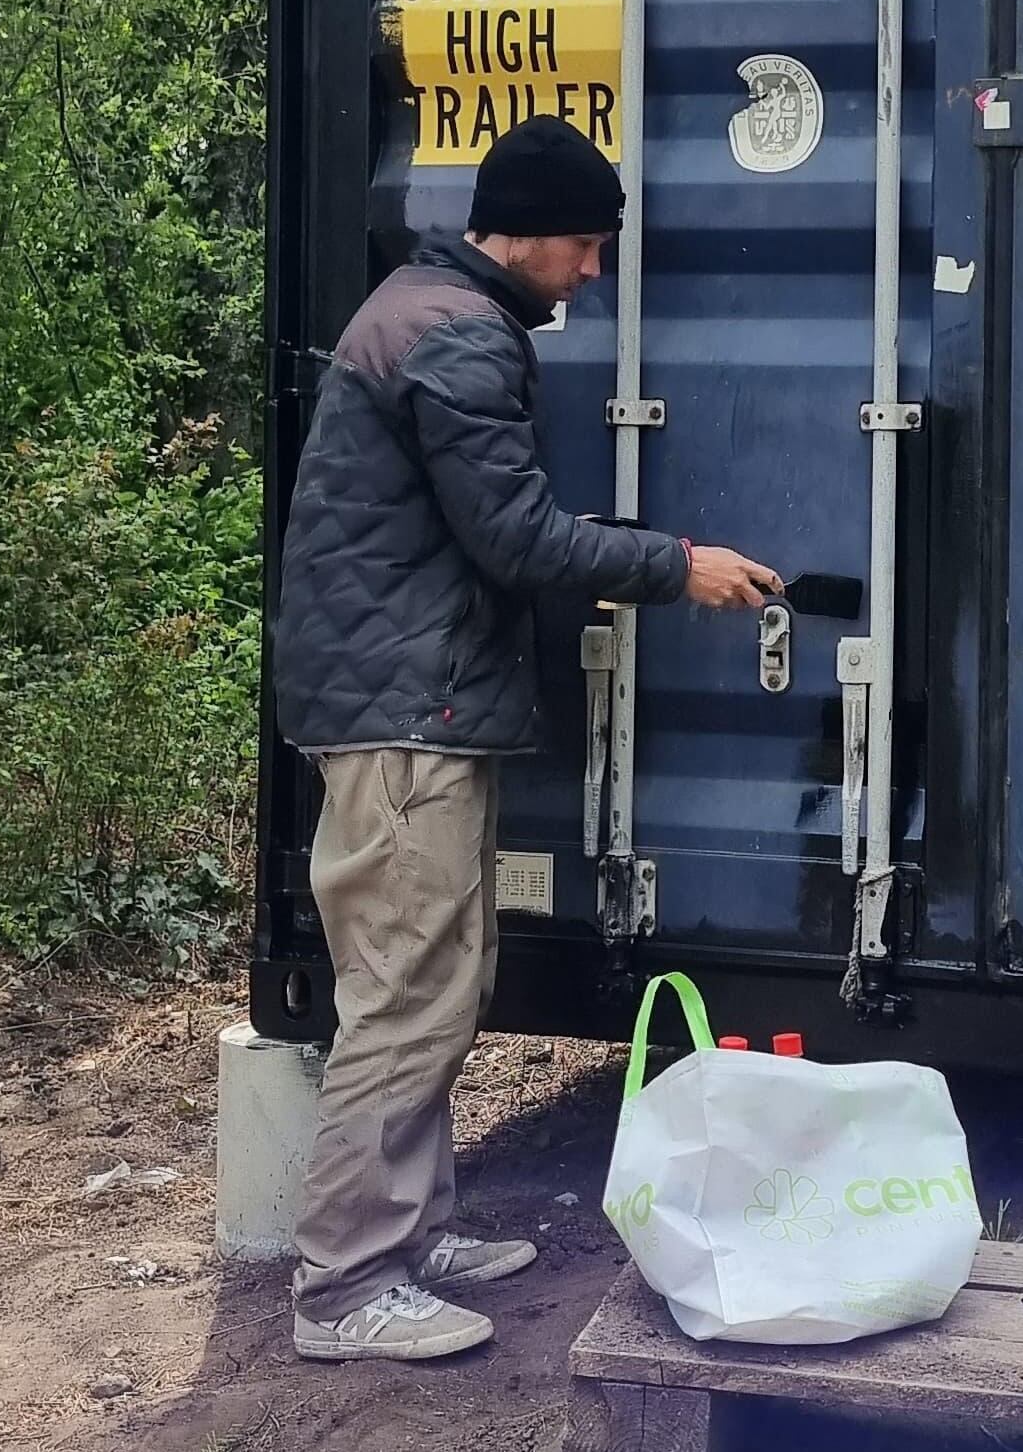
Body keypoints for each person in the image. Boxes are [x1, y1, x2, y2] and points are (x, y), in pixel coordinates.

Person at [273, 114, 780, 1361]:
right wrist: (677, 565)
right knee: (405, 993)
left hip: (408, 698)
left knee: (438, 979)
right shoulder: (455, 336)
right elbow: (514, 538)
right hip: (404, 714)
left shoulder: (430, 308)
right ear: (536, 236)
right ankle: (344, 1286)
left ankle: (410, 1228)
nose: (595, 273)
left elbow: (483, 521)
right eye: (590, 247)